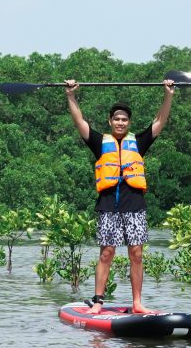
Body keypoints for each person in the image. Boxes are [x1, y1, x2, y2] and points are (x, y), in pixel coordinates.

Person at [65, 79, 176, 314]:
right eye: (116, 119)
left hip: (134, 205)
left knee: (136, 253)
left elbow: (160, 121)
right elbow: (79, 122)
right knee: (107, 253)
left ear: (129, 123)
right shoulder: (99, 142)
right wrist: (71, 96)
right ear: (110, 121)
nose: (120, 122)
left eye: (124, 119)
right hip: (108, 205)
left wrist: (168, 94)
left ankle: (137, 303)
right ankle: (98, 302)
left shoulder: (139, 142)